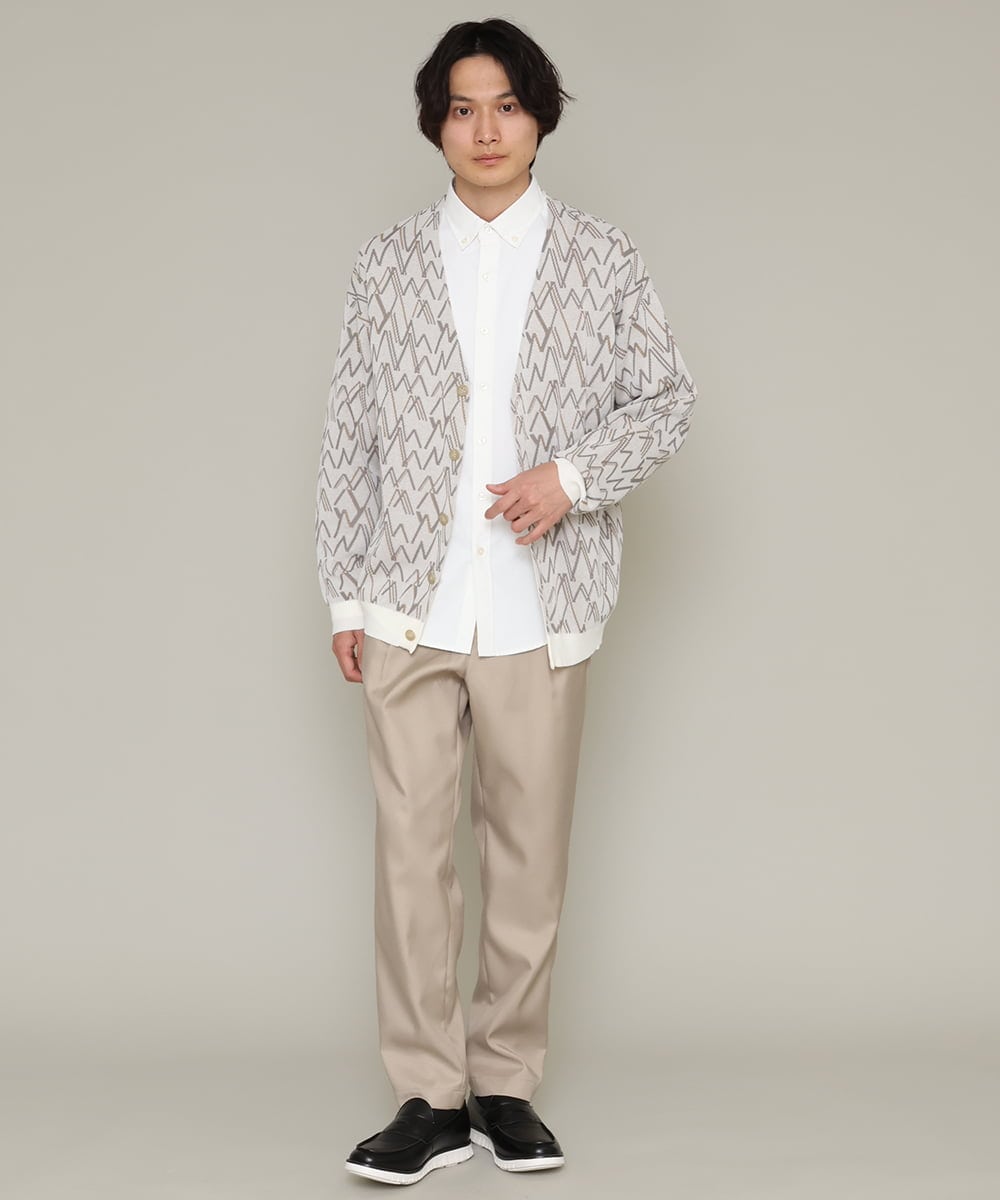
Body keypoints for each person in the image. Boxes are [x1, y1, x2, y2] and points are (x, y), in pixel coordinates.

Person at [315, 16, 698, 1186]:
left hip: (542, 603)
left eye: (508, 105)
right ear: (435, 123)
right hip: (407, 603)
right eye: (462, 107)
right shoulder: (387, 263)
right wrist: (342, 593)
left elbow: (666, 400)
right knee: (409, 857)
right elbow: (350, 433)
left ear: (539, 117)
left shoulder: (601, 257)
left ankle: (505, 1085)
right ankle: (425, 1096)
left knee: (526, 859)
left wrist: (568, 479)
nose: (485, 129)